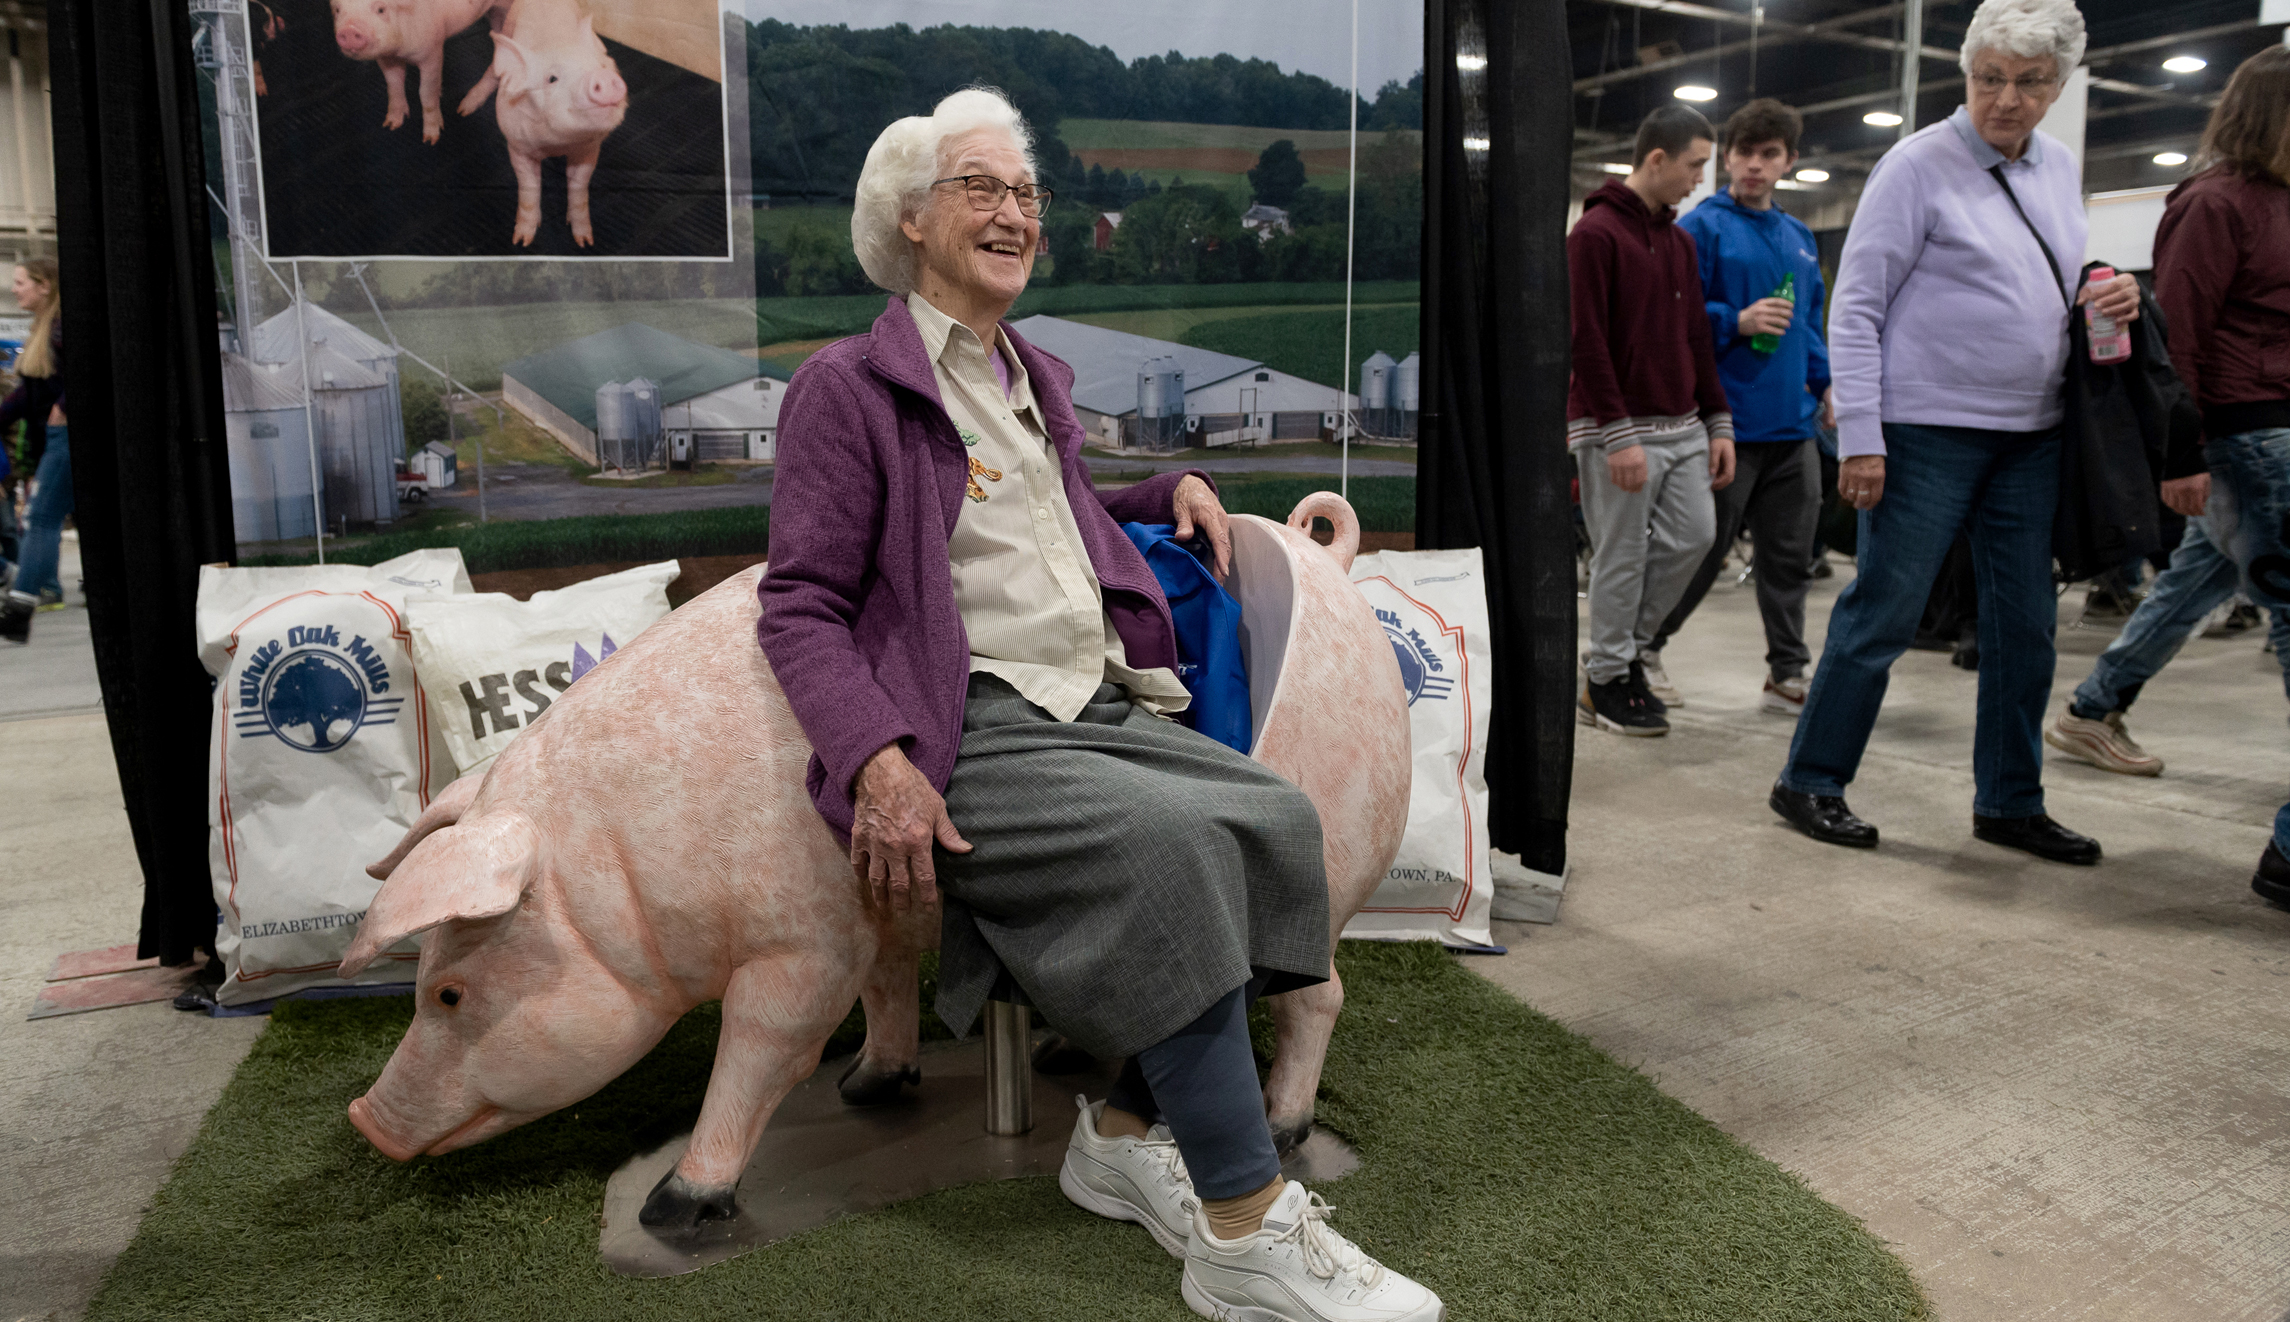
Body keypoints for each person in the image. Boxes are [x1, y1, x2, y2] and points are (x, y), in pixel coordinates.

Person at [756, 89, 1442, 1322]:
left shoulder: (1028, 374)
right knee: (1173, 851)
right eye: (982, 188)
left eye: (1026, 193)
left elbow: (1043, 515)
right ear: (908, 219)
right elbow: (799, 603)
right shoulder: (846, 387)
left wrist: (1159, 486)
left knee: (1275, 821)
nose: (1015, 212)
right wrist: (875, 760)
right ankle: (1242, 1231)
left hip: (1091, 696)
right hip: (967, 723)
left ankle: (1122, 1127)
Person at [1768, 0, 2141, 864]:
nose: (2005, 99)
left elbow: (2052, 266)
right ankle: (1811, 779)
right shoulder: (1916, 166)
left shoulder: (2055, 166)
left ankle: (2010, 801)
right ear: (1965, 75)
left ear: (2060, 84)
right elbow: (1855, 307)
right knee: (1884, 613)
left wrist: (2103, 286)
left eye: (2029, 82)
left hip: (2033, 436)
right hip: (1924, 433)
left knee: (2025, 628)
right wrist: (1862, 436)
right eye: (1988, 79)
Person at [2065, 48, 2290, 902]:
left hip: (2269, 438)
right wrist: (2182, 456)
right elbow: (2178, 344)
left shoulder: (2276, 200)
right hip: (2247, 438)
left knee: (2193, 582)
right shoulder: (2215, 202)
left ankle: (2091, 710)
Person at [1643, 98, 1832, 717]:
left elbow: (1808, 324)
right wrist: (1736, 318)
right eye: (1745, 153)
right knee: (1699, 550)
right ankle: (1644, 651)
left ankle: (1787, 673)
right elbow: (1672, 317)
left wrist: (1824, 385)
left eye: (1768, 155)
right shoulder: (1700, 229)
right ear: (1727, 156)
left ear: (1789, 162)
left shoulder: (1800, 238)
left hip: (1792, 427)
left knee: (1790, 560)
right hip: (1724, 425)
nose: (1755, 165)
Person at [1568, 105, 1737, 737]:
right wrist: (1618, 433)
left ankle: (1620, 657)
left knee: (1696, 538)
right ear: (1657, 159)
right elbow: (1586, 343)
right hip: (1618, 428)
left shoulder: (1680, 240)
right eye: (1695, 165)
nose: (1700, 179)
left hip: (1685, 425)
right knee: (1620, 557)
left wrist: (1719, 421)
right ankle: (1607, 680)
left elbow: (1697, 336)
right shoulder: (1594, 236)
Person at [0, 257, 65, 645]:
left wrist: (64, 408)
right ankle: (21, 601)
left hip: (64, 438)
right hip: (55, 441)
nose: (14, 289)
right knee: (40, 519)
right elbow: (27, 393)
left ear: (45, 286)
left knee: (39, 518)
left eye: (21, 282)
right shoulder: (44, 330)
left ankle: (20, 607)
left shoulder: (58, 329)